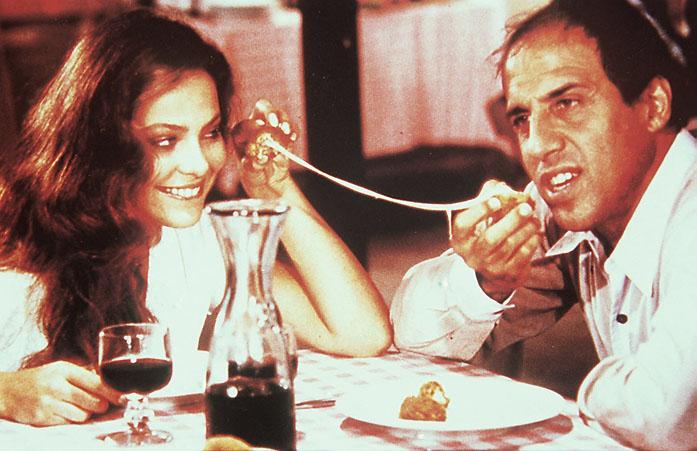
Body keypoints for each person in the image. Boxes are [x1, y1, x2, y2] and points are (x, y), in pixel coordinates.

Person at [0, 8, 391, 426]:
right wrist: (6, 392)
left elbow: (361, 334)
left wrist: (273, 188)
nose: (199, 164)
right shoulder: (14, 233)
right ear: (104, 142)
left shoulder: (196, 236)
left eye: (210, 133)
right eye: (165, 140)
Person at [390, 0, 697, 448]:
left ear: (653, 105)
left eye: (567, 103)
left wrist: (577, 390)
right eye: (522, 119)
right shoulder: (572, 203)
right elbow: (413, 338)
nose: (537, 146)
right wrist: (484, 280)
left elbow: (660, 416)